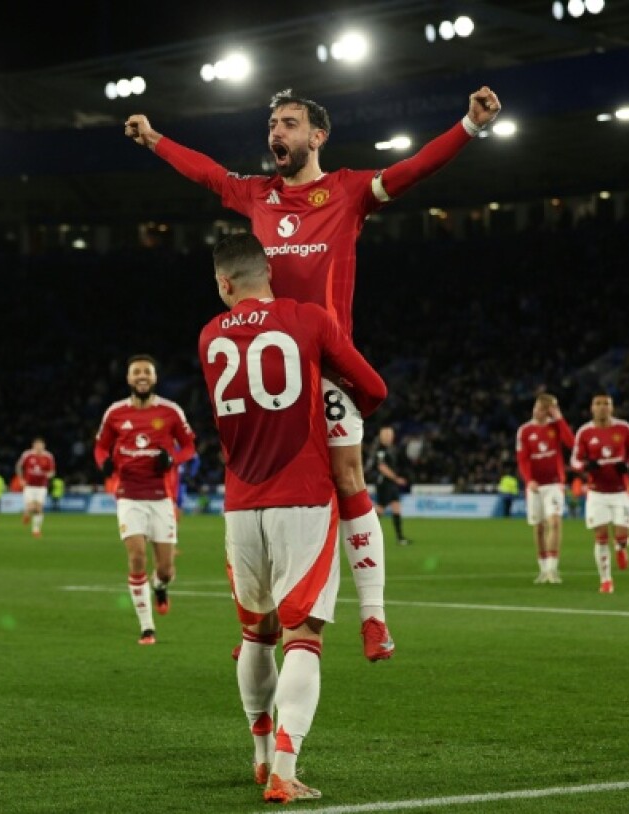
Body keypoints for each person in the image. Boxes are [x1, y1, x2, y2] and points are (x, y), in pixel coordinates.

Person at [126, 84, 500, 658]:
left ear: (317, 136)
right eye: (273, 124)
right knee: (262, 489)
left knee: (348, 479)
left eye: (290, 123)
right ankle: (260, 623)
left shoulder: (348, 192)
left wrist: (469, 125)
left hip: (326, 369)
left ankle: (373, 618)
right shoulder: (255, 196)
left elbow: (414, 169)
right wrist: (154, 140)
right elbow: (205, 173)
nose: (277, 132)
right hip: (267, 375)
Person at [199, 233, 389, 803]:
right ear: (270, 275)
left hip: (240, 504)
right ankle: (285, 769)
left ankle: (259, 754)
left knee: (255, 635)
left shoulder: (209, 335)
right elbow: (374, 387)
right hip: (302, 500)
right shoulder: (306, 319)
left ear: (225, 284)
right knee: (303, 637)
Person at [94, 354, 197, 645]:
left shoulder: (170, 411)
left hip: (160, 498)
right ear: (128, 378)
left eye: (147, 372)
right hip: (128, 496)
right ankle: (147, 627)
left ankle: (161, 586)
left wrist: (173, 458)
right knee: (137, 556)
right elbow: (100, 447)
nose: (141, 376)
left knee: (165, 568)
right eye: (136, 372)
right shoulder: (115, 413)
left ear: (154, 378)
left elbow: (190, 445)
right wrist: (103, 462)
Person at [571, 393, 629, 593]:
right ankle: (606, 580)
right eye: (598, 403)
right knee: (600, 536)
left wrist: (628, 465)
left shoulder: (624, 428)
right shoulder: (584, 432)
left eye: (606, 404)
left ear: (612, 408)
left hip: (620, 492)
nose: (602, 407)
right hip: (596, 492)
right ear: (592, 408)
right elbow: (575, 459)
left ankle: (621, 547)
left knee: (621, 536)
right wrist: (585, 466)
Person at [515, 393, 575, 584]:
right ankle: (542, 568)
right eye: (537, 407)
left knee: (555, 523)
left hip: (555, 483)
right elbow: (522, 459)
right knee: (539, 527)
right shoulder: (524, 431)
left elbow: (571, 443)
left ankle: (552, 568)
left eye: (544, 409)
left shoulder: (555, 427)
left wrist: (559, 418)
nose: (538, 412)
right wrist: (528, 479)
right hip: (535, 486)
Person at [369, 426, 411, 546]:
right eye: (387, 435)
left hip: (391, 483)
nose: (389, 437)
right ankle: (368, 533)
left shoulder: (391, 449)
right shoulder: (380, 450)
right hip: (384, 483)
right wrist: (396, 478)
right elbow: (382, 467)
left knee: (396, 507)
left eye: (390, 435)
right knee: (380, 510)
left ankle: (400, 538)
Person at [16, 438, 56, 537]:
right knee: (31, 507)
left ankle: (36, 530)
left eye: (40, 446)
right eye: (37, 446)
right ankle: (26, 514)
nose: (39, 448)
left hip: (42, 486)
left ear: (44, 446)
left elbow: (52, 471)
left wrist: (49, 475)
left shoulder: (48, 456)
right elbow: (18, 466)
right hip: (29, 486)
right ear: (33, 446)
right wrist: (21, 479)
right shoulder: (27, 455)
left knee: (39, 508)